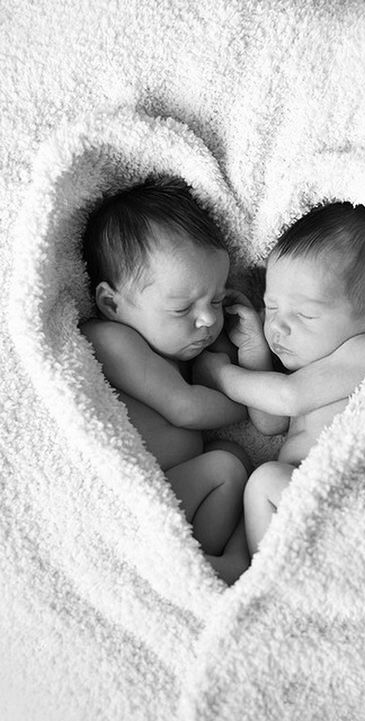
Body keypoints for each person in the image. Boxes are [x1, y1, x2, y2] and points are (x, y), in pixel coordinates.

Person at [194, 202, 365, 555]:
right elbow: (269, 423)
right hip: (295, 500)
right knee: (258, 483)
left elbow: (288, 399)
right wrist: (254, 351)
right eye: (273, 307)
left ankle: (263, 583)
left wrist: (221, 374)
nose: (278, 325)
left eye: (304, 314)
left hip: (343, 505)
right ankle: (249, 571)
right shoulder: (312, 365)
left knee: (264, 479)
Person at [80, 177, 251, 584]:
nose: (208, 319)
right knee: (226, 464)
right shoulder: (110, 340)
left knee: (235, 455)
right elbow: (186, 407)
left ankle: (206, 560)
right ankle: (211, 565)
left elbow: (224, 378)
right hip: (141, 503)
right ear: (112, 303)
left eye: (217, 299)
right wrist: (257, 398)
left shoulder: (183, 346)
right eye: (182, 308)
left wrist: (252, 351)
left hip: (179, 490)